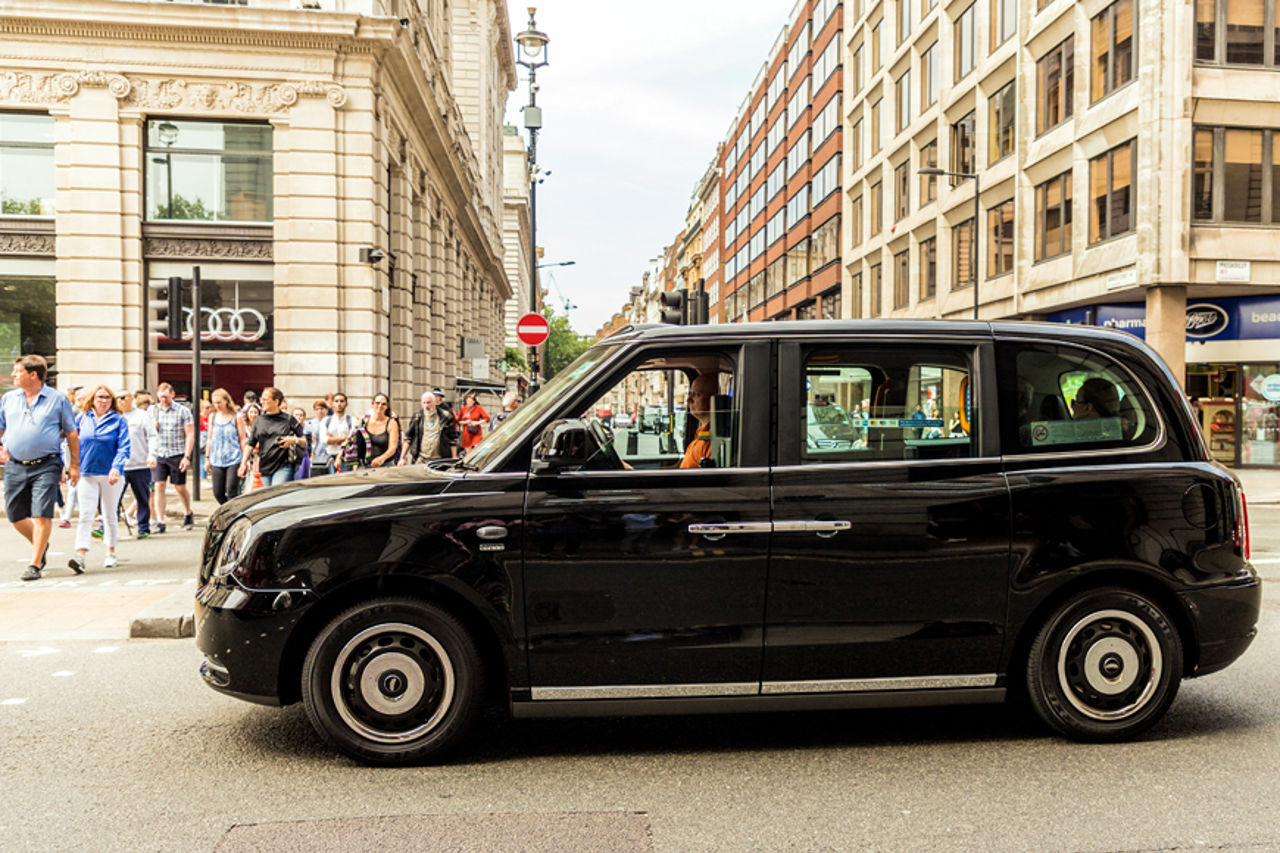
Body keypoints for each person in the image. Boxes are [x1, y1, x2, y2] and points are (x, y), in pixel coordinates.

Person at [0, 356, 80, 581]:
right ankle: (40, 544)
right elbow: (1, 427)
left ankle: (35, 564)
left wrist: (74, 465)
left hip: (46, 464)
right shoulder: (8, 399)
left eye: (18, 371)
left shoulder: (57, 400)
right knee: (15, 514)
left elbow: (72, 434)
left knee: (41, 513)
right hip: (15, 464)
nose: (14, 375)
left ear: (33, 374)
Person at [69, 385, 130, 573]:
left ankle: (111, 551)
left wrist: (117, 467)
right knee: (86, 514)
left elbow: (124, 446)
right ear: (92, 399)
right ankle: (80, 555)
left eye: (107, 398)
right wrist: (71, 467)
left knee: (109, 513)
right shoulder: (82, 418)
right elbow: (69, 443)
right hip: (86, 472)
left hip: (110, 474)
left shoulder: (119, 420)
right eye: (100, 397)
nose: (103, 401)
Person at [240, 387, 304, 487]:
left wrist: (294, 440)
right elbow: (250, 444)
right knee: (268, 498)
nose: (262, 402)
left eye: (265, 399)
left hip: (283, 466)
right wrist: (243, 463)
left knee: (276, 493)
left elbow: (305, 440)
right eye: (261, 399)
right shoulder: (259, 420)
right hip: (264, 467)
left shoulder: (288, 419)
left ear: (276, 401)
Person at [151, 382, 194, 532]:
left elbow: (190, 434)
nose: (163, 400)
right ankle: (160, 521)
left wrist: (187, 456)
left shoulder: (183, 411)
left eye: (166, 397)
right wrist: (153, 427)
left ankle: (188, 512)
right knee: (159, 486)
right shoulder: (153, 411)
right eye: (161, 397)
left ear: (172, 395)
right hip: (159, 453)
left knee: (180, 487)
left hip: (176, 453)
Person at [117, 390, 157, 538]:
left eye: (122, 397)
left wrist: (152, 455)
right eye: (117, 398)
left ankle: (143, 528)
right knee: (114, 498)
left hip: (140, 464)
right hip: (119, 466)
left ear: (131, 399)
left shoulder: (141, 415)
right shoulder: (114, 416)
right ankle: (108, 527)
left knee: (142, 497)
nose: (119, 401)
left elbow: (152, 436)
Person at [205, 388, 245, 503]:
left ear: (226, 401)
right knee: (218, 492)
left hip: (233, 458)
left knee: (231, 490)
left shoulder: (236, 417)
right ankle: (229, 511)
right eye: (215, 403)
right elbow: (210, 439)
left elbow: (242, 439)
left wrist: (244, 460)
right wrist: (207, 458)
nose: (217, 405)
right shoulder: (212, 417)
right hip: (216, 459)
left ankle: (232, 515)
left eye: (219, 402)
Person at [400, 389, 458, 465]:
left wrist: (454, 457)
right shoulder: (417, 416)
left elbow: (452, 439)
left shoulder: (445, 416)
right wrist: (402, 457)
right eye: (424, 403)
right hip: (421, 458)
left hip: (440, 460)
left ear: (434, 402)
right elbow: (408, 438)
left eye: (428, 402)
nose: (426, 405)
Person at [680, 372, 719, 469]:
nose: (689, 400)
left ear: (713, 399)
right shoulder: (700, 435)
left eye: (696, 395)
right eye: (690, 394)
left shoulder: (714, 441)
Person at [322, 392, 355, 473]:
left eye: (342, 401)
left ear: (346, 404)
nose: (339, 404)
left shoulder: (352, 420)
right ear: (332, 403)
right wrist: (344, 438)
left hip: (346, 457)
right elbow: (324, 440)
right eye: (336, 401)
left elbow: (352, 440)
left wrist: (332, 439)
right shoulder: (326, 421)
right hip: (329, 455)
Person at [291, 406, 312, 479]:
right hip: (289, 463)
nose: (298, 417)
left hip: (301, 462)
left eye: (301, 415)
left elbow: (308, 448)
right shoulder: (288, 430)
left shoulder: (307, 431)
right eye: (296, 415)